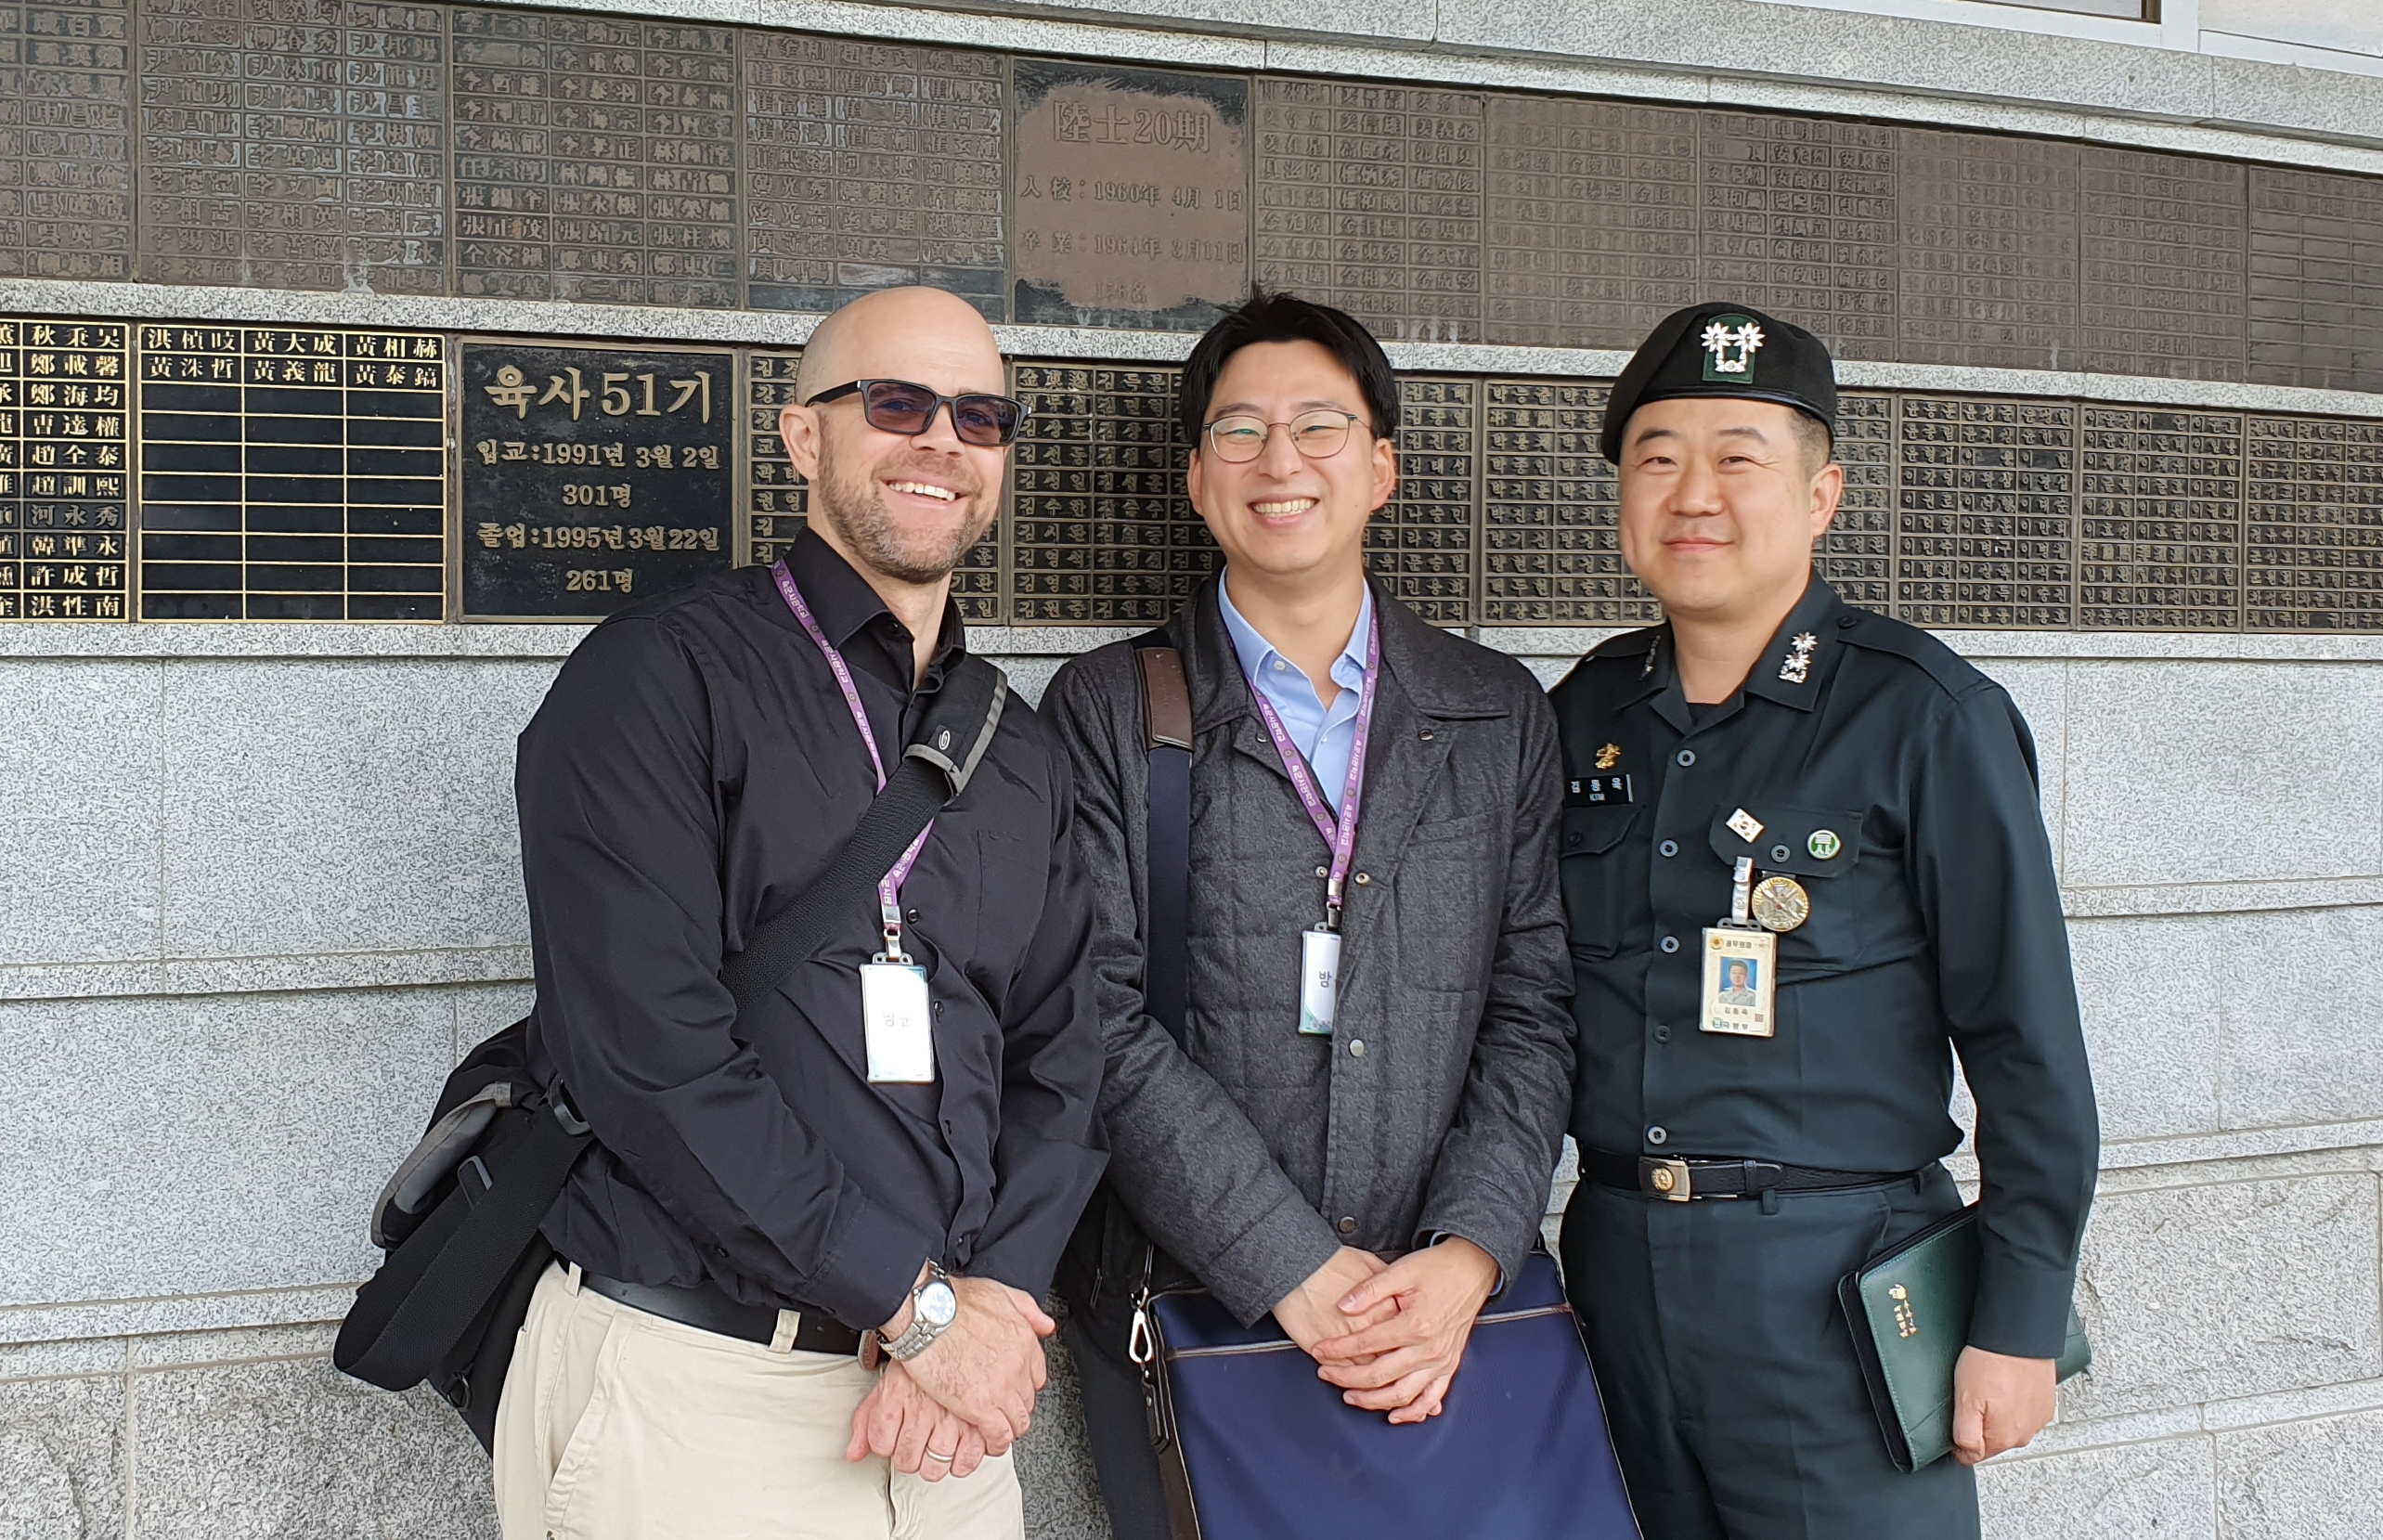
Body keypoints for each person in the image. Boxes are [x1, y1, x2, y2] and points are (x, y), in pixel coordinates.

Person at [494, 286, 1105, 1540]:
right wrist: (916, 1312)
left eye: (980, 416)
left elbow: (1064, 1060)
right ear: (803, 434)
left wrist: (987, 1307)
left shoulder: (1020, 751)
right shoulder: (659, 677)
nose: (943, 440)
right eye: (898, 403)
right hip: (702, 1394)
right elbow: (649, 1059)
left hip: (950, 1425)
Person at [1550, 302, 2101, 1540]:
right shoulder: (1585, 714)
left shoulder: (1925, 717)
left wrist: (2018, 1319)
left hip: (1835, 1294)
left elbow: (2025, 1040)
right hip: (1617, 1279)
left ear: (1821, 496)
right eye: (1657, 458)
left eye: (1737, 459)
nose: (1694, 494)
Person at [1044, 289, 1577, 1540]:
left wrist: (1468, 1255)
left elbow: (1535, 1006)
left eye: (1319, 426)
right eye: (1239, 431)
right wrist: (1285, 1260)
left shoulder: (1496, 713)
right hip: (1187, 1307)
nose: (1280, 461)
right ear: (1196, 479)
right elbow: (1092, 1016)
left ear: (1381, 466)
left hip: (1441, 1320)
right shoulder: (1109, 711)